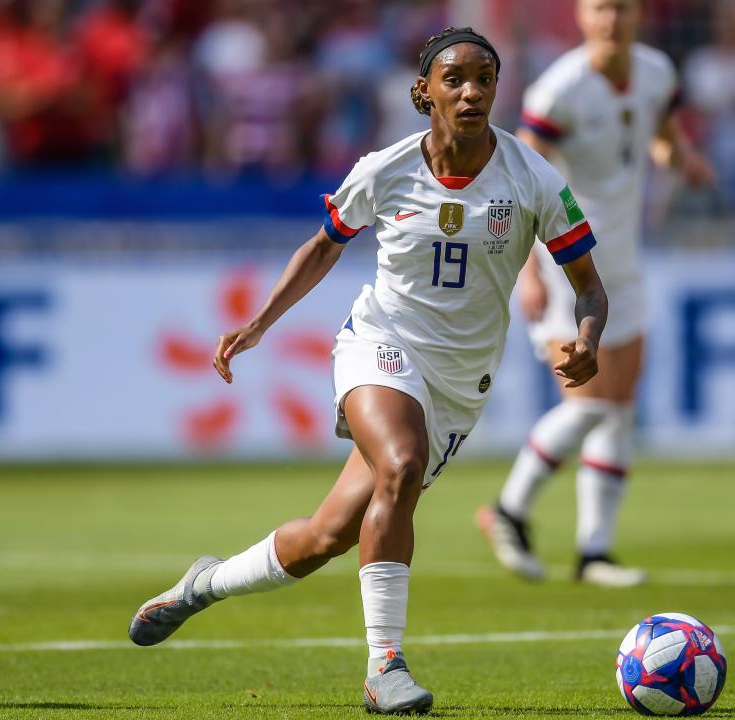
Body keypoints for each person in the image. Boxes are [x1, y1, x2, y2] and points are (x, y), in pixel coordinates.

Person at [127, 26, 607, 716]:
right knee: (401, 463)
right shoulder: (386, 168)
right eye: (455, 79)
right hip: (380, 343)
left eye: (485, 79)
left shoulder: (533, 178)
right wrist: (260, 323)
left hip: (458, 383)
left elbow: (589, 284)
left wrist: (588, 334)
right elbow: (323, 249)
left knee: (325, 537)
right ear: (424, 92)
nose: (472, 91)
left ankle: (201, 586)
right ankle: (385, 666)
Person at [477, 0, 713, 587]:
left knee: (621, 407)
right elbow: (523, 180)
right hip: (570, 264)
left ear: (638, 16)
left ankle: (595, 551)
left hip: (626, 259)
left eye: (623, 8)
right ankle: (509, 509)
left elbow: (659, 136)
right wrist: (529, 270)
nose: (612, 20)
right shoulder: (560, 90)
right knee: (591, 403)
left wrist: (681, 159)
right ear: (582, 16)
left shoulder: (657, 73)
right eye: (601, 8)